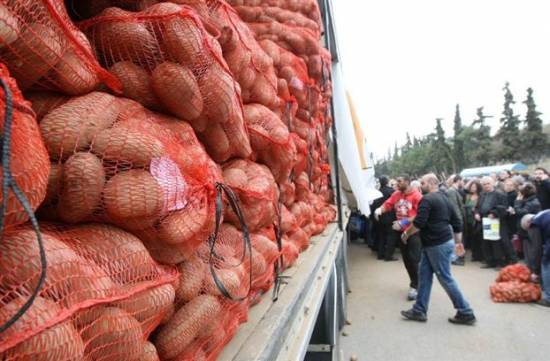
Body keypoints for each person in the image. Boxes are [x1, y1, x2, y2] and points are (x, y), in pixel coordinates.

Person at [400, 173, 476, 325]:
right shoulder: (444, 198)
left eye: (423, 183)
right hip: (437, 244)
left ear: (431, 183)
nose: (420, 185)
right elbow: (457, 221)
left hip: (437, 245)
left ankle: (465, 311)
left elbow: (419, 222)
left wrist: (406, 234)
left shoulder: (427, 199)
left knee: (445, 278)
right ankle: (419, 310)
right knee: (424, 276)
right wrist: (458, 242)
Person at [375, 175, 423, 300]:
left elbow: (420, 215)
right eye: (397, 181)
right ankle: (414, 283)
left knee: (414, 260)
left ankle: (417, 286)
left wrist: (404, 222)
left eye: (400, 181)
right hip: (401, 233)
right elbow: (388, 204)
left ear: (407, 182)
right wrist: (380, 210)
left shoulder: (417, 196)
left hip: (413, 233)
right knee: (407, 260)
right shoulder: (397, 194)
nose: (397, 183)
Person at [475, 176, 517, 268]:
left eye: (488, 183)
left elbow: (504, 208)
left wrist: (494, 213)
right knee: (486, 241)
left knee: (497, 242)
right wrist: (477, 213)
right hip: (485, 221)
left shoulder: (500, 194)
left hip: (497, 221)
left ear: (493, 183)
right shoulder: (482, 194)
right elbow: (477, 207)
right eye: (484, 184)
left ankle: (500, 262)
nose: (486, 185)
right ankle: (490, 261)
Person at [522, 210, 550, 307]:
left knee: (546, 264)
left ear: (528, 224)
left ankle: (548, 298)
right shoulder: (543, 214)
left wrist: (535, 271)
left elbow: (537, 249)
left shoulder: (534, 223)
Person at [514, 183, 542, 275]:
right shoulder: (530, 201)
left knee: (531, 253)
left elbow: (520, 212)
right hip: (526, 230)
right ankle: (531, 270)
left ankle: (533, 272)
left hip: (529, 231)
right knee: (528, 252)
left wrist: (517, 202)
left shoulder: (532, 202)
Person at [372, 176, 396, 260]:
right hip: (390, 217)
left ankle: (380, 254)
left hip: (379, 217)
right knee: (391, 236)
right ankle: (388, 255)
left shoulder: (378, 192)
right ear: (387, 182)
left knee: (381, 236)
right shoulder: (391, 191)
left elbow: (374, 205)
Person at [447, 175, 466, 266]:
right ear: (458, 181)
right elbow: (454, 208)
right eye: (462, 181)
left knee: (458, 240)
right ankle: (459, 258)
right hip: (457, 220)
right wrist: (458, 220)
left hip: (457, 219)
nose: (463, 182)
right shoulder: (451, 191)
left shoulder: (454, 191)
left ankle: (459, 258)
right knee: (458, 240)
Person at [464, 180, 483, 262]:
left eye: (474, 187)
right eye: (471, 186)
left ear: (478, 187)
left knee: (478, 237)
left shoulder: (481, 196)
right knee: (472, 237)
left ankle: (480, 255)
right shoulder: (468, 196)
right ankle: (474, 255)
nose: (472, 188)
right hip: (467, 219)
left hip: (476, 219)